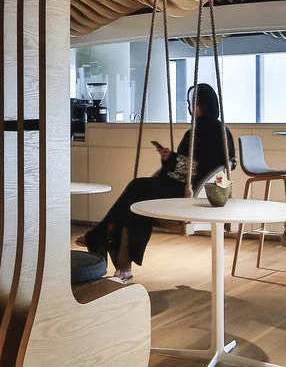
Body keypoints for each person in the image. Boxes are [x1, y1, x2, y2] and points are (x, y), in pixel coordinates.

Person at [77, 82, 236, 282]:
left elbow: (195, 168)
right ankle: (122, 261)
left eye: (189, 103)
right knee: (135, 206)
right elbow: (210, 166)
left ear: (198, 106)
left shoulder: (198, 131)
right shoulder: (222, 130)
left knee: (138, 187)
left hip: (189, 192)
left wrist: (170, 159)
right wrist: (171, 158)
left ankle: (103, 232)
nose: (188, 108)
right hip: (205, 192)